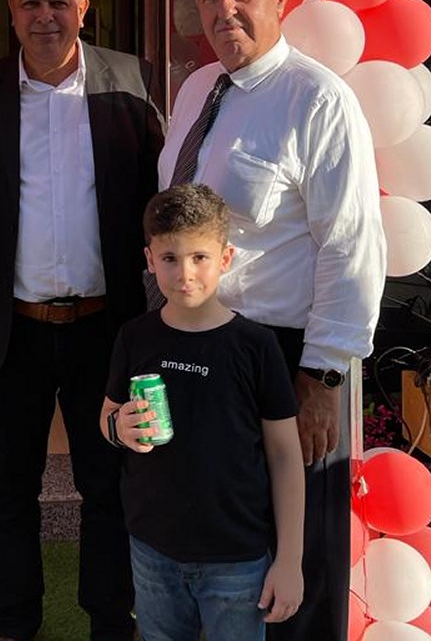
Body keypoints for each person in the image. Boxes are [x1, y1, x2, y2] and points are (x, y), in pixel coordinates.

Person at [159, 0, 386, 640]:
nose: (223, 9)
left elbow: (351, 248)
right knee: (220, 552)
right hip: (201, 352)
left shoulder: (317, 100)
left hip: (286, 364)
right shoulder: (196, 90)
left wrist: (322, 379)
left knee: (295, 569)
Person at [0, 0, 165, 641]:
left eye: (58, 2)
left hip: (106, 331)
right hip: (12, 331)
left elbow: (158, 199)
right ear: (10, 13)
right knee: (9, 489)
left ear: (84, 8)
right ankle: (13, 626)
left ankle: (111, 622)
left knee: (108, 484)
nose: (44, 16)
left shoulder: (131, 82)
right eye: (30, 2)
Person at [101, 183, 304, 641]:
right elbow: (108, 415)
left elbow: (285, 455)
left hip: (237, 558)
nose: (185, 273)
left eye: (200, 257)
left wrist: (290, 560)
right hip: (152, 549)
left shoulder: (256, 346)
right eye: (169, 258)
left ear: (226, 258)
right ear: (150, 260)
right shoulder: (135, 337)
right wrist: (118, 428)